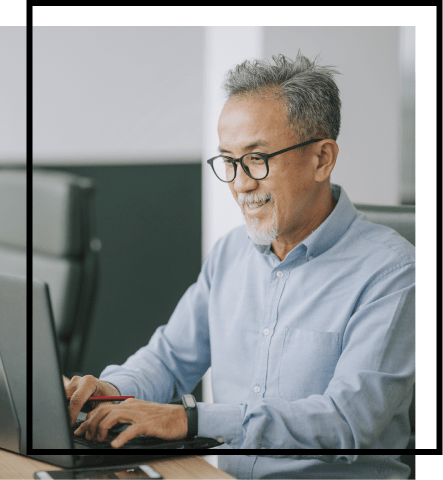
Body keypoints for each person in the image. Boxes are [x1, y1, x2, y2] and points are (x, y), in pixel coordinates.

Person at [64, 52, 415, 479]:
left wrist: (191, 421)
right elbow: (170, 359)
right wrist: (110, 392)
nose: (241, 183)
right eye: (228, 161)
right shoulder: (232, 252)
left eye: (256, 159)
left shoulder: (392, 271)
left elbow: (346, 422)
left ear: (322, 159)